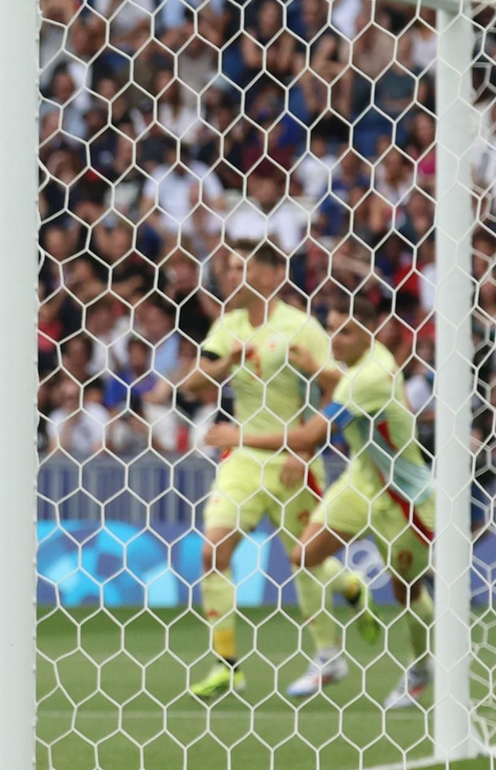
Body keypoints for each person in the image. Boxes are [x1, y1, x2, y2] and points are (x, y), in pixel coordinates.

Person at [206, 295, 429, 707]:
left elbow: (312, 437)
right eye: (332, 329)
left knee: (407, 593)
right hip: (360, 481)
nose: (335, 339)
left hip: (403, 497)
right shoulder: (354, 367)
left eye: (345, 332)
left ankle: (421, 666)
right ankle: (329, 653)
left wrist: (237, 437)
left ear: (369, 332)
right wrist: (314, 368)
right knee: (303, 553)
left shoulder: (368, 377)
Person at [164, 243, 363, 700]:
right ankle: (226, 664)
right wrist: (227, 364)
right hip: (242, 457)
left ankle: (331, 646)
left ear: (273, 275)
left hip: (294, 460)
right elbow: (192, 384)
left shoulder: (300, 327)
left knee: (304, 561)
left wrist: (308, 442)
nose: (231, 276)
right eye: (228, 268)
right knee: (213, 551)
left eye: (242, 267)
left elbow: (341, 389)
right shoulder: (229, 325)